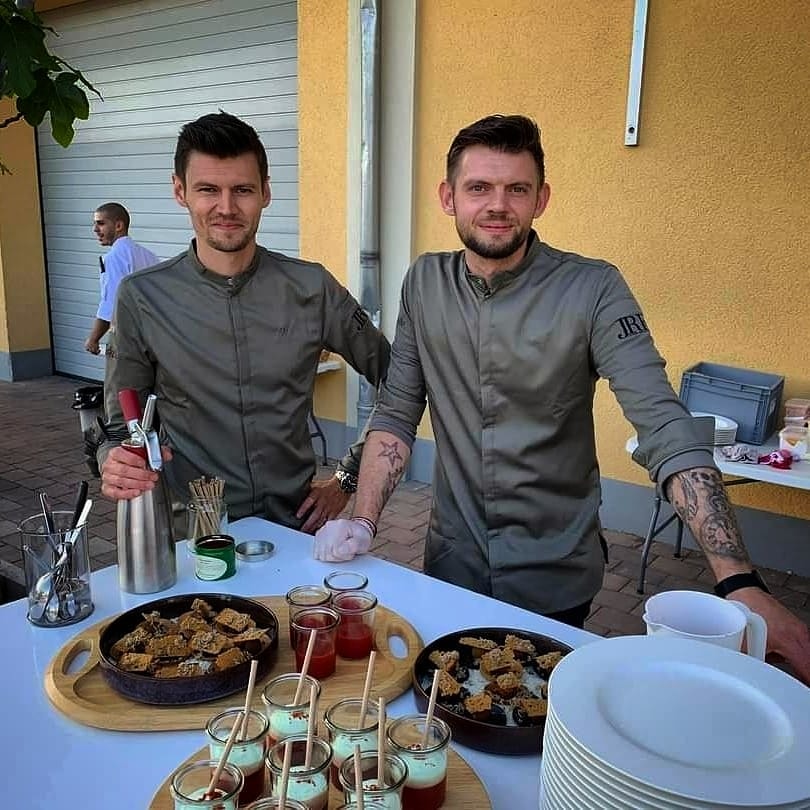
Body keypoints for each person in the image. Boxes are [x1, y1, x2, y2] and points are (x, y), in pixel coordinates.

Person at [314, 113, 810, 681]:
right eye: (479, 188)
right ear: (448, 197)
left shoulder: (594, 289)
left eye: (516, 189)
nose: (497, 205)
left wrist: (738, 580)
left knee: (538, 707)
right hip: (453, 562)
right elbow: (398, 409)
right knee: (450, 702)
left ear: (541, 199)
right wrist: (364, 520)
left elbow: (664, 423)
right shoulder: (425, 283)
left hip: (554, 574)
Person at [99, 112, 390, 533]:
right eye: (208, 189)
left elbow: (398, 379)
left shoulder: (312, 287)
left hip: (295, 531)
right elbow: (118, 427)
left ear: (266, 192)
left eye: (243, 190)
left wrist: (348, 476)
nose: (226, 207)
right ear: (180, 191)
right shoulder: (142, 297)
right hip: (193, 535)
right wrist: (111, 461)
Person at [84, 203, 160, 355]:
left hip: (128, 340)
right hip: (153, 337)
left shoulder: (113, 258)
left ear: (119, 226)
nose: (95, 229)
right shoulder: (149, 256)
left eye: (101, 223)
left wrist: (93, 339)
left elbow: (111, 303)